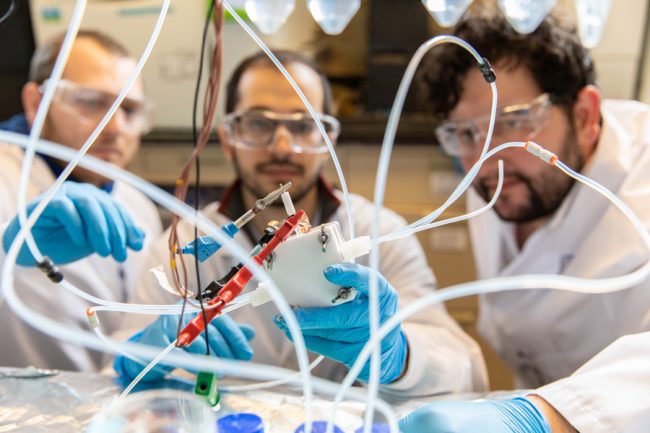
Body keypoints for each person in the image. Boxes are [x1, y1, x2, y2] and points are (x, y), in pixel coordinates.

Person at [115, 50, 488, 394]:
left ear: (328, 140)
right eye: (258, 124)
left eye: (303, 126)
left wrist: (401, 355)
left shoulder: (380, 232)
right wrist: (140, 359)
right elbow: (111, 370)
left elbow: (466, 370)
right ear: (228, 139)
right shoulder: (186, 243)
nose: (281, 146)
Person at [399, 6, 650, 433]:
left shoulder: (639, 181)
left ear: (585, 115)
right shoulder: (509, 177)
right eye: (465, 133)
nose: (485, 158)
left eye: (512, 122)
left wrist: (544, 418)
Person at [0, 30, 162, 371]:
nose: (115, 127)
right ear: (36, 103)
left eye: (129, 109)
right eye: (92, 102)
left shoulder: (138, 204)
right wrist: (7, 247)